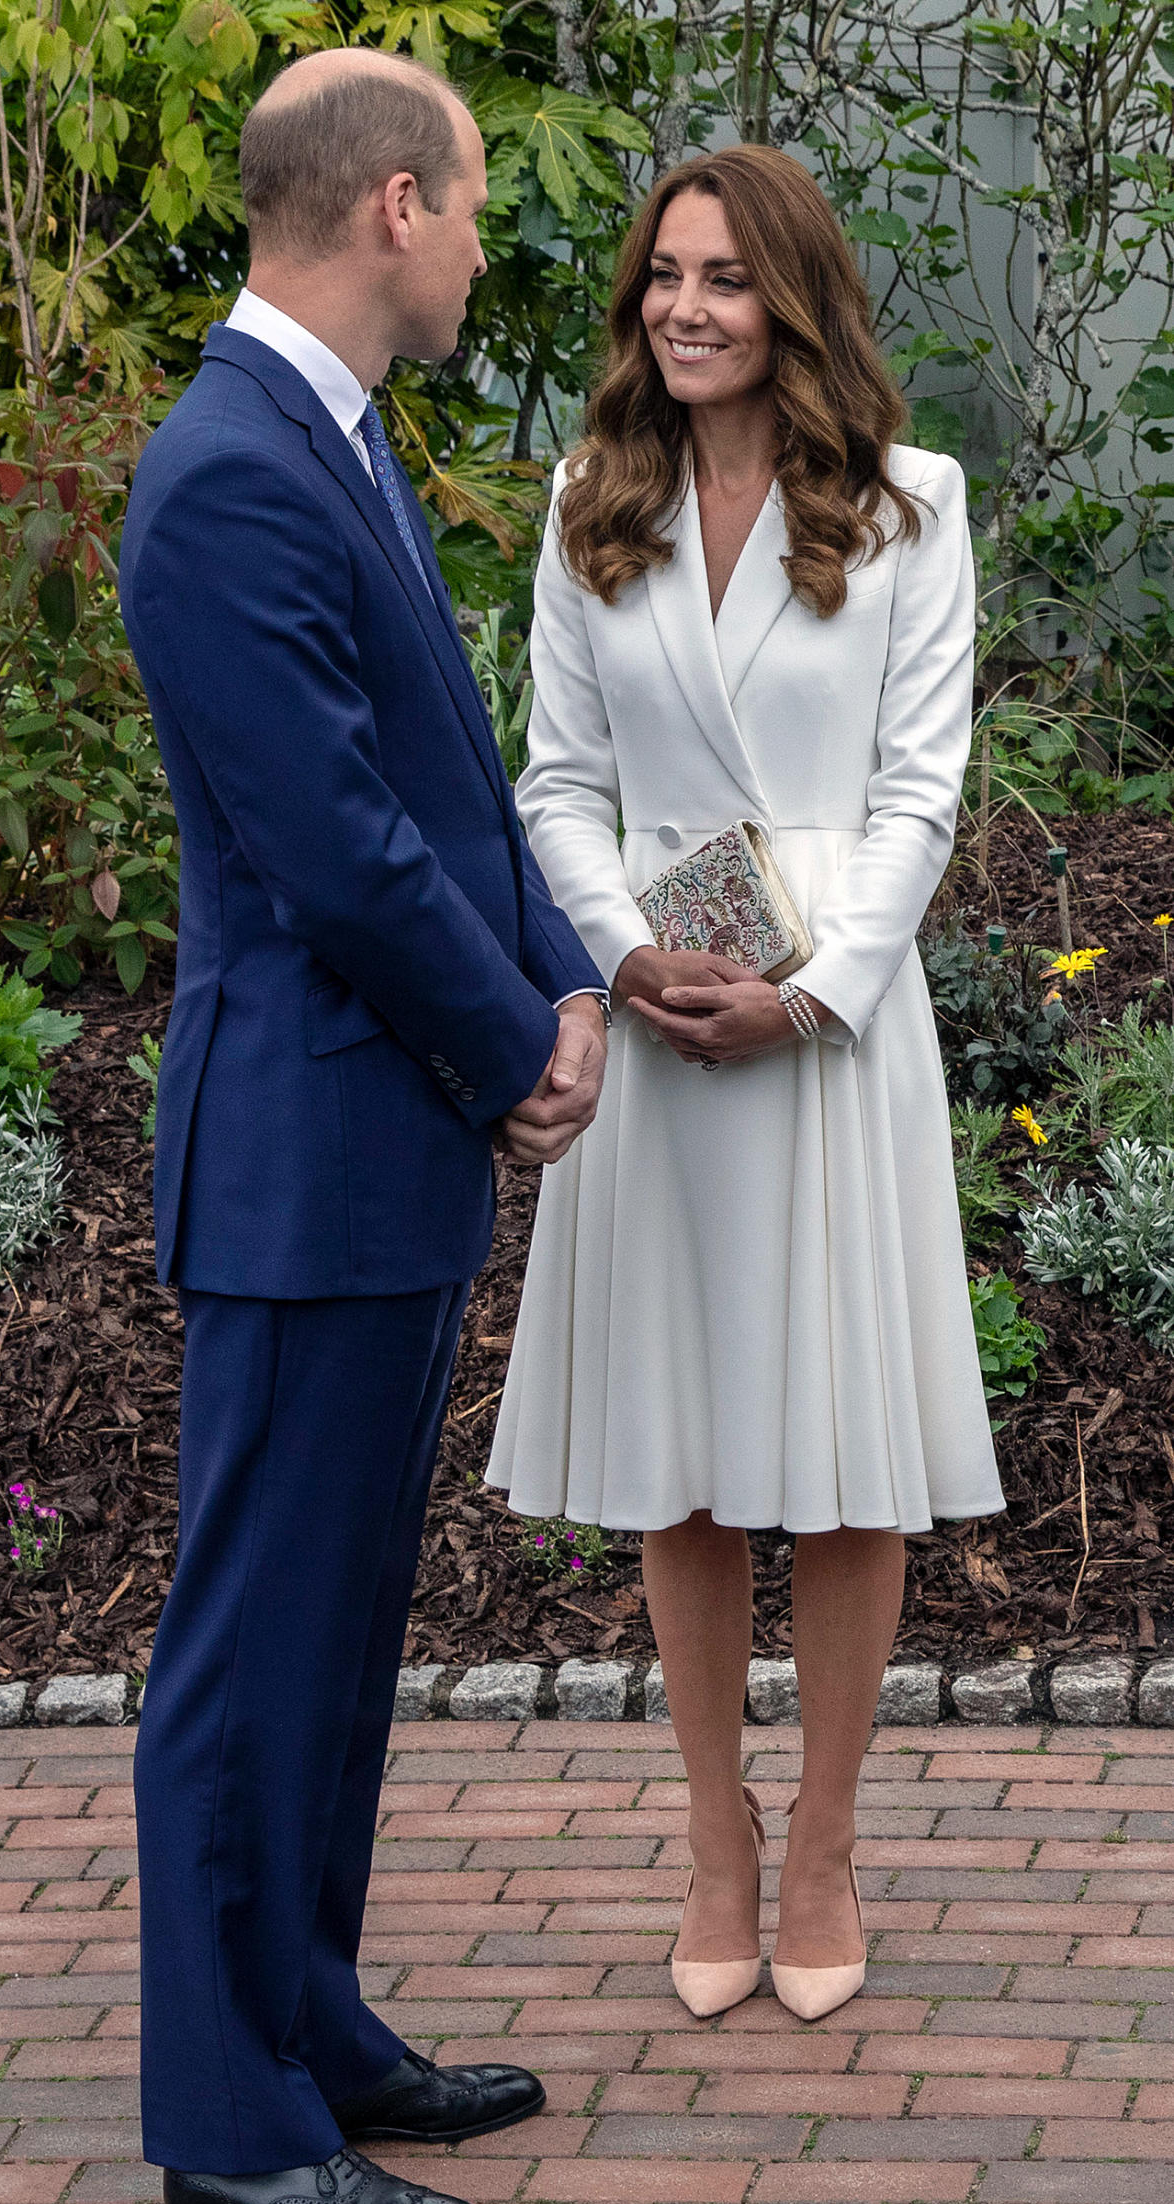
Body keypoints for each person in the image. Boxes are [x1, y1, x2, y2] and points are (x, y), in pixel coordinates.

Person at [118, 49, 608, 2204]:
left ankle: (307, 2025)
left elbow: (448, 782)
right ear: (393, 205)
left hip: (383, 1142)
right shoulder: (228, 475)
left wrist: (560, 982)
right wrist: (514, 1041)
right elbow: (326, 847)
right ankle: (230, 2132)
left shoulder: (332, 444)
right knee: (250, 1649)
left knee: (336, 1637)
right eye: (482, 201)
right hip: (311, 1155)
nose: (492, 238)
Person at [487, 145, 1005, 2025]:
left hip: (827, 1040)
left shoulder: (910, 509)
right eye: (662, 278)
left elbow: (917, 791)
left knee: (842, 1461)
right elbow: (554, 781)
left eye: (722, 278)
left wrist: (814, 993)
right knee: (686, 1458)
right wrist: (627, 954)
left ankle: (825, 1845)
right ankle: (712, 1840)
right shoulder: (585, 503)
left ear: (792, 296)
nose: (683, 308)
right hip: (658, 1026)